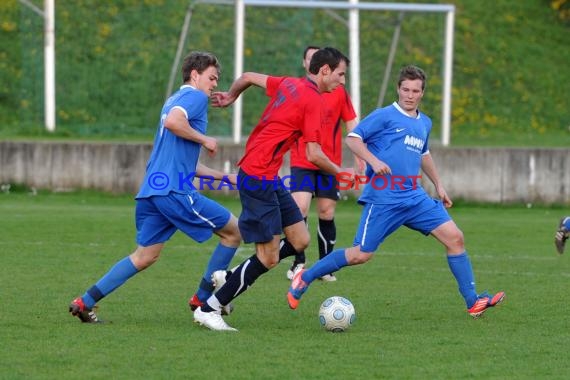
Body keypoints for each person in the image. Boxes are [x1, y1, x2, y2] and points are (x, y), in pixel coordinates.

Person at [287, 64, 506, 319]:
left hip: (414, 198)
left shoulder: (424, 122)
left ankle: (473, 302)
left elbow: (424, 154)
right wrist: (374, 161)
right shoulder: (384, 115)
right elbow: (353, 139)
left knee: (455, 238)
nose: (409, 95)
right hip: (384, 200)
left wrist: (438, 184)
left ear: (422, 93)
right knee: (360, 255)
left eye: (415, 90)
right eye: (405, 89)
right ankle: (305, 278)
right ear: (398, 89)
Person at [68, 51, 241, 323]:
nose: (215, 84)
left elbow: (187, 163)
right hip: (174, 191)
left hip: (152, 191)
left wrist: (226, 178)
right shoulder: (193, 97)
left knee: (144, 256)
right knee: (234, 232)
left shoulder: (174, 100)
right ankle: (203, 299)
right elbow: (174, 123)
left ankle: (85, 301)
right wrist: (205, 139)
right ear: (194, 75)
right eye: (212, 77)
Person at [193, 47, 355, 331]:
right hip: (257, 177)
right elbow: (315, 154)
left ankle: (229, 277)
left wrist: (232, 96)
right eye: (341, 75)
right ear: (325, 70)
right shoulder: (314, 101)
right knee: (268, 258)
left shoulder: (291, 83)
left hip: (268, 176)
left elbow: (246, 76)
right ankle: (210, 308)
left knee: (301, 239)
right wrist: (342, 172)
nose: (342, 82)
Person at [280, 45, 361, 282]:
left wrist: (359, 154)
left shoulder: (338, 91)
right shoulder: (298, 90)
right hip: (302, 160)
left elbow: (351, 121)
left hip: (330, 162)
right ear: (306, 64)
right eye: (309, 58)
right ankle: (299, 261)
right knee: (301, 208)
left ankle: (326, 265)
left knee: (326, 211)